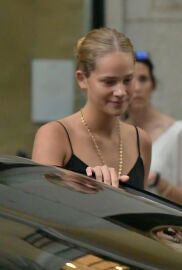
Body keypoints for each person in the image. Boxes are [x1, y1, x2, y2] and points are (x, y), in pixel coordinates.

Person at [32, 28, 151, 189]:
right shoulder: (55, 135)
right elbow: (42, 203)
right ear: (82, 79)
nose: (121, 92)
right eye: (109, 82)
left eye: (128, 80)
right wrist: (81, 187)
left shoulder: (140, 140)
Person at [124, 51, 182, 211]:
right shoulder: (115, 132)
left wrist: (159, 182)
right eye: (130, 80)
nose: (137, 88)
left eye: (143, 79)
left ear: (153, 85)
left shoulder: (178, 132)